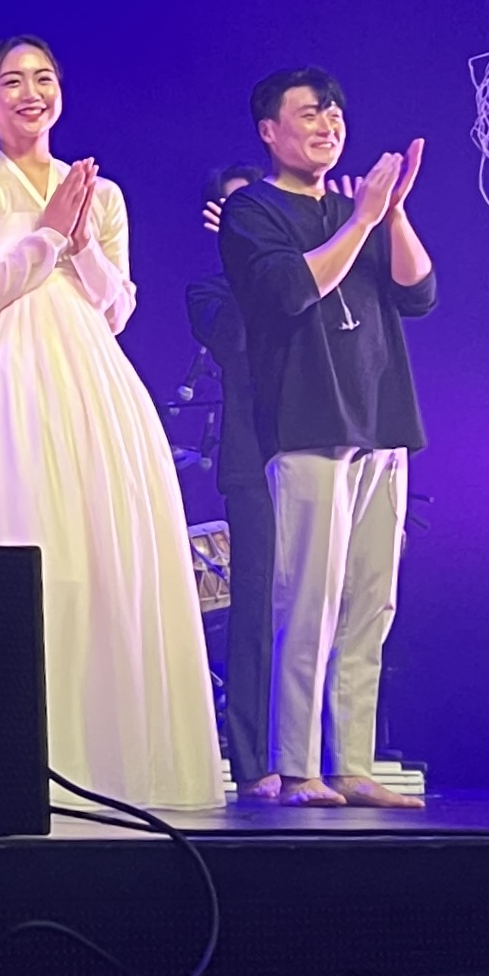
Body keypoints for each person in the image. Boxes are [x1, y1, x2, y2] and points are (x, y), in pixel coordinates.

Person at [0, 35, 219, 810]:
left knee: (93, 552)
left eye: (43, 78)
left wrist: (83, 241)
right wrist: (47, 237)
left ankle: (100, 759)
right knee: (3, 536)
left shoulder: (102, 192)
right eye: (12, 81)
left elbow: (117, 310)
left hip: (87, 379)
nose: (30, 93)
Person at [218, 68, 437, 809]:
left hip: (382, 420)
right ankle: (296, 766)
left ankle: (353, 763)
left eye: (335, 113)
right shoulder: (253, 209)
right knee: (307, 601)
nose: (328, 123)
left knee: (372, 604)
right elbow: (290, 291)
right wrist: (362, 221)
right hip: (309, 421)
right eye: (310, 113)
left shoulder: (360, 210)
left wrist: (392, 214)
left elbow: (419, 292)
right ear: (269, 130)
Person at [186, 164, 275, 791]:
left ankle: (328, 751)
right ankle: (253, 761)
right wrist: (246, 262)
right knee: (255, 611)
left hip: (319, 450)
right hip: (253, 461)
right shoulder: (210, 291)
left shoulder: (309, 271)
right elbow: (236, 342)